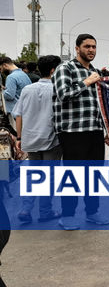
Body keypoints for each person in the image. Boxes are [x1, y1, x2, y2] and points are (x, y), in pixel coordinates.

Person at [53, 34, 109, 230]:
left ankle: (92, 212)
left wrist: (106, 130)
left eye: (94, 47)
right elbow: (63, 94)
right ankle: (67, 215)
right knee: (73, 175)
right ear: (77, 48)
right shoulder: (65, 68)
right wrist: (87, 82)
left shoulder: (94, 71)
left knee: (94, 175)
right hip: (72, 132)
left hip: (94, 130)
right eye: (87, 46)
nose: (91, 50)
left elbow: (99, 105)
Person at [13, 55, 63, 224]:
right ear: (53, 70)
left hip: (30, 139)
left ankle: (26, 209)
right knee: (48, 177)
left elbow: (18, 115)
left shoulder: (27, 89)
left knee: (33, 175)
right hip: (50, 140)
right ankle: (45, 211)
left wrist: (19, 137)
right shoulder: (57, 89)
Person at [0, 56, 31, 130]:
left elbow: (9, 96)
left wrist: (2, 91)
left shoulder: (11, 77)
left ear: (5, 65)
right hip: (25, 109)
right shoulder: (24, 74)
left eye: (0, 69)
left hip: (15, 110)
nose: (1, 71)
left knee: (18, 135)